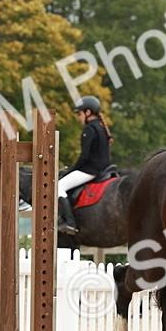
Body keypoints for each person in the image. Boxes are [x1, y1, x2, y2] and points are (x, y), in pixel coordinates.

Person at [56, 95, 112, 236]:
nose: (79, 117)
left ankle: (69, 222)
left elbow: (84, 157)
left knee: (58, 186)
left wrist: (71, 170)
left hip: (91, 170)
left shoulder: (89, 129)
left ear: (88, 112)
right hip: (103, 168)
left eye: (80, 113)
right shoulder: (100, 127)